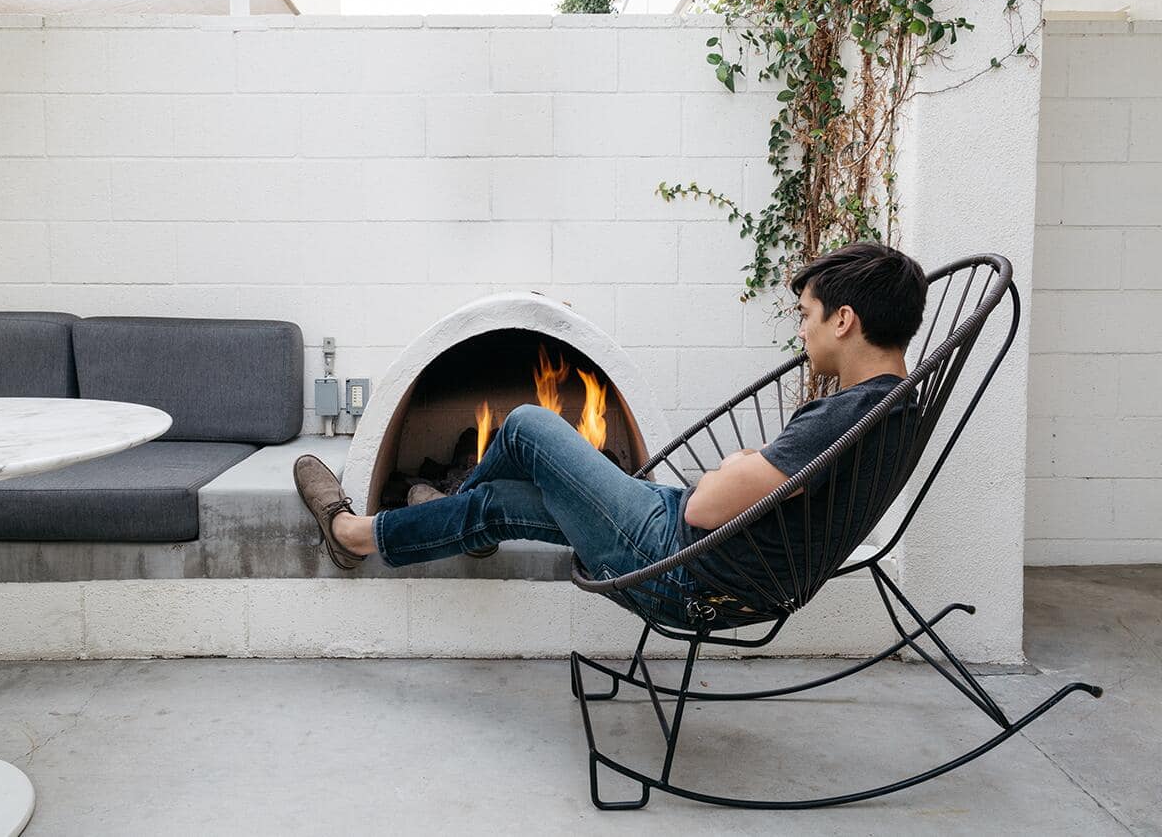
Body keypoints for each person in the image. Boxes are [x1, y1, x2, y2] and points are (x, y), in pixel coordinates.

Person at [292, 241, 928, 623]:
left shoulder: (852, 412)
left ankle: (450, 509)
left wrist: (739, 467)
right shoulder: (895, 408)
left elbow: (709, 503)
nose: (803, 330)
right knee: (503, 503)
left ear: (844, 319)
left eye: (807, 315)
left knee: (527, 424)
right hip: (701, 552)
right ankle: (357, 534)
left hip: (679, 564)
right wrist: (747, 465)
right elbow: (754, 490)